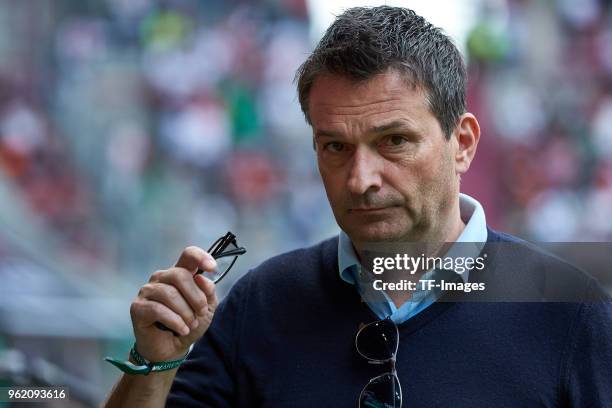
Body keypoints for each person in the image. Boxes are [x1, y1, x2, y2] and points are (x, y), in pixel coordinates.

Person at [103, 6, 612, 407]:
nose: (361, 179)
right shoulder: (260, 306)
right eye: (335, 147)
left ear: (462, 143)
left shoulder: (571, 313)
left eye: (393, 141)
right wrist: (154, 365)